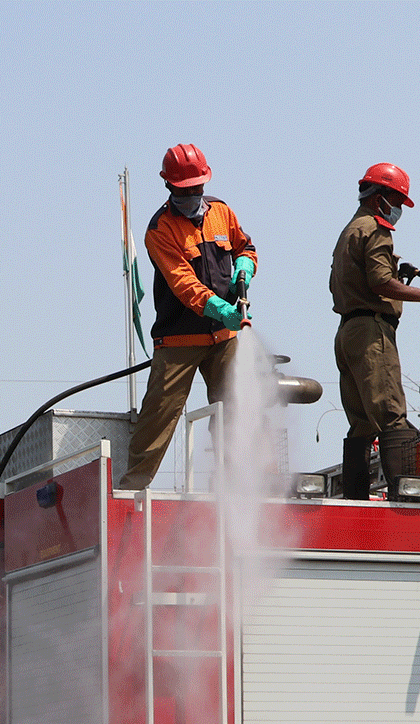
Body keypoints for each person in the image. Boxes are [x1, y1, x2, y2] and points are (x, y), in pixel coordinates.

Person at [119, 143, 258, 491]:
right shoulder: (160, 229)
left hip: (223, 339)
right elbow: (184, 284)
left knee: (234, 411)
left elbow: (245, 247)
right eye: (185, 190)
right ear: (169, 187)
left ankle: (232, 486)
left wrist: (246, 266)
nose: (193, 194)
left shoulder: (222, 212)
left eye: (197, 188)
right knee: (159, 417)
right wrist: (221, 309)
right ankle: (131, 492)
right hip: (180, 338)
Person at [329, 162, 420, 499]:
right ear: (380, 199)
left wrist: (395, 271)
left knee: (361, 422)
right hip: (372, 333)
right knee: (392, 417)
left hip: (347, 334)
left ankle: (356, 500)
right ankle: (408, 499)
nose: (400, 209)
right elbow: (379, 282)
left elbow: (364, 278)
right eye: (398, 201)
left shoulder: (351, 229)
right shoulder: (376, 229)